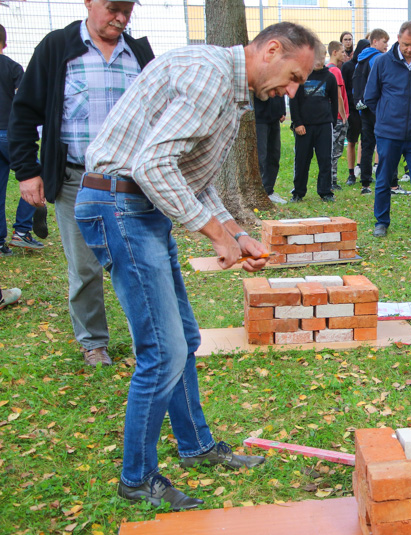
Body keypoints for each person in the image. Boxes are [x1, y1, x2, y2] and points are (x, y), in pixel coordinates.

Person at [76, 22, 318, 510]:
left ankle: (196, 446)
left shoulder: (227, 86)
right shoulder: (209, 78)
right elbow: (152, 167)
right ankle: (137, 478)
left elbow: (189, 174)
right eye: (293, 76)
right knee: (161, 352)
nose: (291, 92)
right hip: (120, 206)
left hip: (141, 208)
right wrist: (213, 234)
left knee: (182, 341)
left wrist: (239, 233)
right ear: (271, 49)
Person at [9, 0, 154, 367]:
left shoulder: (139, 52)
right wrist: (28, 171)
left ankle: (149, 341)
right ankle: (94, 342)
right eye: (112, 8)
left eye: (127, 10)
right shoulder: (57, 47)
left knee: (137, 263)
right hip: (77, 178)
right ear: (89, 2)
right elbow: (24, 112)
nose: (120, 18)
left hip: (131, 182)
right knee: (85, 266)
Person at [364, 21, 411, 243]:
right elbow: (370, 96)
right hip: (388, 133)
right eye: (406, 44)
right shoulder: (382, 62)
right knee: (384, 178)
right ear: (398, 39)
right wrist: (387, 117)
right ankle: (381, 222)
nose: (409, 49)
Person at [0, 24, 44, 256]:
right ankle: (22, 230)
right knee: (34, 176)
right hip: (9, 134)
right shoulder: (12, 67)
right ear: (5, 43)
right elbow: (26, 98)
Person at [288, 42, 337, 203]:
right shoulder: (301, 75)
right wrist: (297, 123)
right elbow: (293, 101)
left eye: (322, 57)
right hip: (304, 126)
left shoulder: (329, 77)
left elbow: (334, 101)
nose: (319, 60)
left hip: (324, 124)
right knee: (302, 160)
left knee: (325, 159)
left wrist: (332, 122)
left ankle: (325, 191)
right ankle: (298, 192)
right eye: (316, 57)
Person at [353, 29, 389, 195]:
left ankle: (365, 183)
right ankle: (390, 182)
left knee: (367, 145)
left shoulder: (360, 59)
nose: (386, 45)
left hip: (364, 109)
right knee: (386, 143)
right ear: (374, 41)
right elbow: (384, 81)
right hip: (378, 108)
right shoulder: (377, 58)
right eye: (384, 41)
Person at [341, 38, 369, 186]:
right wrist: (346, 111)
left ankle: (364, 170)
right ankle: (351, 173)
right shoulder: (348, 67)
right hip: (352, 110)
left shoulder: (369, 65)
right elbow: (343, 90)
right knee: (352, 141)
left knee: (366, 142)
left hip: (366, 110)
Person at [253, 93, 287, 204]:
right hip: (260, 117)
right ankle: (257, 191)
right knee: (260, 157)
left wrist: (282, 110)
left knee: (274, 155)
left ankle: (269, 190)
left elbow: (280, 89)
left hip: (275, 117)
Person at [327, 40, 349, 193]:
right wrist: (343, 116)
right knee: (335, 150)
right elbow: (339, 96)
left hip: (332, 116)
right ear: (334, 52)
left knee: (332, 149)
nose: (344, 54)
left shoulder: (327, 70)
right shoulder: (335, 71)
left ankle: (331, 179)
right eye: (342, 51)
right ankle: (332, 180)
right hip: (338, 117)